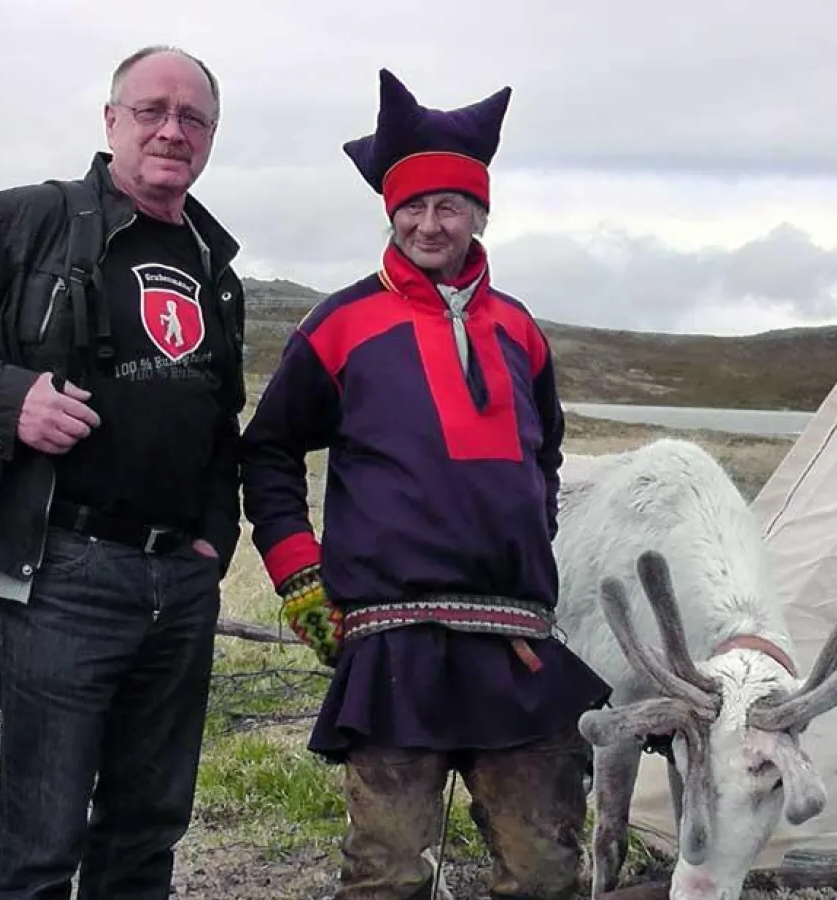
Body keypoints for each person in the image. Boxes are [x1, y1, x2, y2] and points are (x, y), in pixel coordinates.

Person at [240, 69, 613, 900]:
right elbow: (267, 453)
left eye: (448, 205)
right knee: (387, 874)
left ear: (480, 214)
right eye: (412, 206)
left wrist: (523, 531)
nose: (428, 223)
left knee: (547, 871)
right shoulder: (340, 325)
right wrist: (300, 575)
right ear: (390, 212)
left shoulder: (519, 330)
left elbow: (542, 454)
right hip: (391, 638)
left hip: (514, 636)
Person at [0, 45, 246, 899]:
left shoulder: (216, 263)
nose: (173, 130)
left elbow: (218, 414)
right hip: (60, 569)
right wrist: (6, 395)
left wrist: (213, 535)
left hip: (180, 579)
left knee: (148, 828)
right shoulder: (28, 219)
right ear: (110, 121)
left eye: (193, 118)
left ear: (210, 136)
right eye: (152, 110)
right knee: (44, 835)